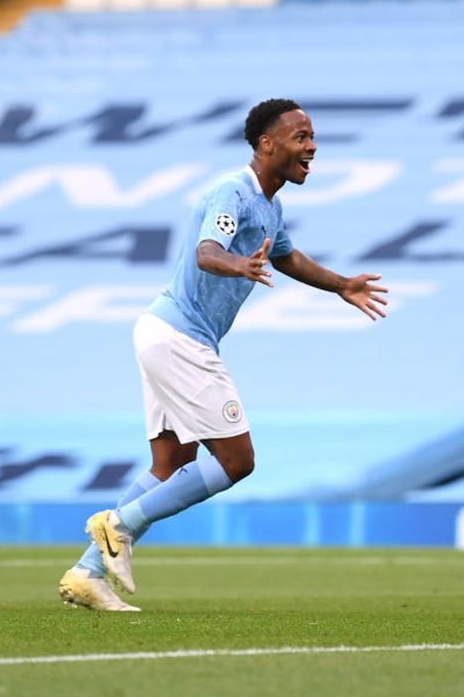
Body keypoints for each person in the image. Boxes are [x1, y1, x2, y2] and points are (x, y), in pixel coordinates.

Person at [58, 98, 389, 611]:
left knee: (171, 464)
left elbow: (288, 256)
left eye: (312, 136)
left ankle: (88, 571)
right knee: (236, 461)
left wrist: (341, 284)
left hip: (163, 332)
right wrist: (239, 267)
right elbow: (206, 252)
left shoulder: (270, 206)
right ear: (266, 144)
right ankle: (119, 524)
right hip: (179, 338)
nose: (312, 146)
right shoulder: (231, 192)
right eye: (300, 137)